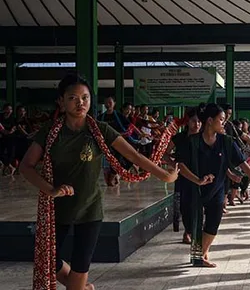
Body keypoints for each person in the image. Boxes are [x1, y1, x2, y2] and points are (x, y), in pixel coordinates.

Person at [20, 73, 179, 290]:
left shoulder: (99, 130)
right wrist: (51, 189)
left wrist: (165, 175)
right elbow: (25, 166)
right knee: (46, 260)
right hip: (56, 210)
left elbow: (134, 156)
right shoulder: (50, 132)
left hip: (89, 211)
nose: (80, 103)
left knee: (79, 268)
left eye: (85, 98)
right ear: (61, 101)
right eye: (72, 98)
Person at [178, 103, 250, 268]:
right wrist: (198, 180)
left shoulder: (226, 141)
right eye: (220, 120)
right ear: (209, 120)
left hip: (217, 190)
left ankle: (200, 255)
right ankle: (200, 254)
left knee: (213, 223)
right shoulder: (191, 142)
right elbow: (181, 166)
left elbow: (242, 163)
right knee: (191, 225)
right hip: (192, 190)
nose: (223, 123)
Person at [166, 107, 201, 244]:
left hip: (199, 176)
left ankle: (194, 230)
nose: (197, 124)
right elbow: (165, 151)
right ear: (188, 122)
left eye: (199, 122)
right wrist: (172, 163)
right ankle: (188, 231)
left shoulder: (203, 138)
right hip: (183, 176)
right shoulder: (180, 138)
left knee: (198, 205)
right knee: (185, 205)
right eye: (193, 121)